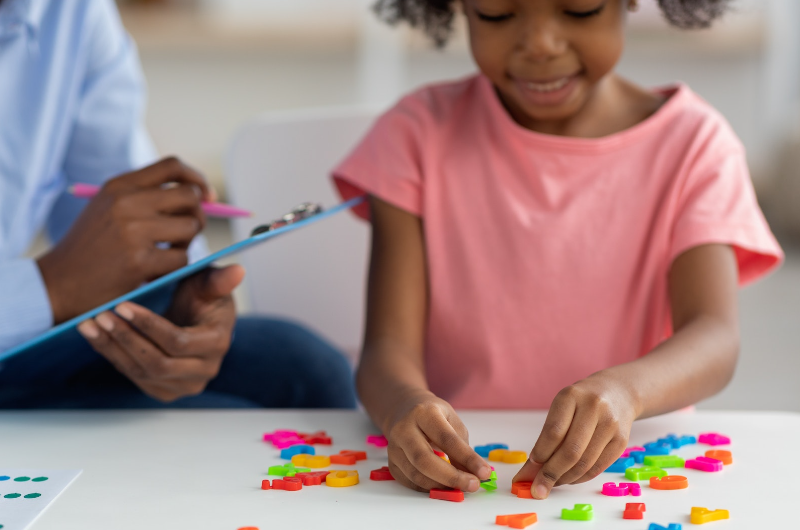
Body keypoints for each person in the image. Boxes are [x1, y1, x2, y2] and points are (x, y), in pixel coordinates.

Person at [332, 0, 782, 499]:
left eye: (580, 9)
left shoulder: (697, 145)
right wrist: (403, 406)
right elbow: (385, 352)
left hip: (633, 473)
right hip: (462, 475)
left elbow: (715, 339)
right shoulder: (415, 132)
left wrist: (626, 392)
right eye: (497, 15)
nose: (540, 44)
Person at [0, 0, 356, 419]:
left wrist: (183, 313)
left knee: (303, 365)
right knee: (209, 428)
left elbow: (132, 233)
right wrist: (49, 289)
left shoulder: (72, 12)